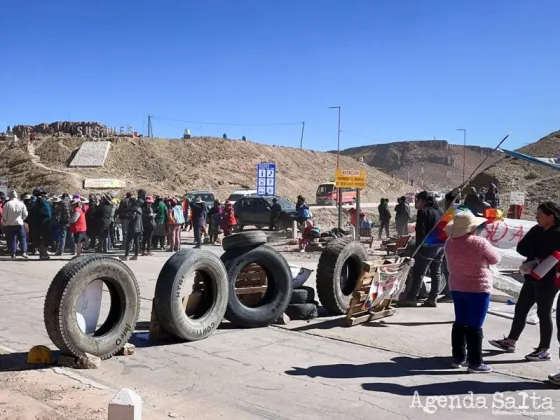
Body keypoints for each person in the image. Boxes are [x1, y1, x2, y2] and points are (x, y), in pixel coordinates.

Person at [489, 201, 560, 362]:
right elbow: (522, 247)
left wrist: (537, 252)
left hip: (549, 279)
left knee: (543, 312)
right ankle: (511, 341)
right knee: (521, 308)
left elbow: (552, 254)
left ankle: (544, 349)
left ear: (550, 217)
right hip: (531, 275)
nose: (536, 217)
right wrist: (538, 254)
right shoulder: (536, 229)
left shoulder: (558, 233)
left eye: (539, 214)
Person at [444, 211, 501, 373]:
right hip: (478, 288)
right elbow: (495, 259)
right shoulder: (479, 243)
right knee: (475, 326)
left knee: (460, 322)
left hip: (457, 286)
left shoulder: (449, 242)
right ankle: (475, 362)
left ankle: (458, 357)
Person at [399, 191, 445, 307]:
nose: (416, 203)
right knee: (436, 271)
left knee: (419, 272)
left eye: (417, 200)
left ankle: (412, 297)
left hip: (428, 246)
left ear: (423, 200)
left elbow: (421, 232)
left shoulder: (423, 211)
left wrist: (418, 248)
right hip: (440, 245)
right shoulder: (439, 211)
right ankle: (433, 298)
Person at [1, 190, 29, 259]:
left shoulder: (7, 204)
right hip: (19, 223)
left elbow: (4, 214)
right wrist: (22, 219)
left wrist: (7, 220)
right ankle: (24, 252)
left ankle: (13, 253)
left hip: (10, 224)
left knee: (13, 238)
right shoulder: (21, 203)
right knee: (22, 237)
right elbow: (25, 213)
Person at [31, 187, 52, 260]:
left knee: (41, 239)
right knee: (45, 239)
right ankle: (43, 253)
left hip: (38, 223)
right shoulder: (43, 201)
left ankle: (42, 253)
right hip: (45, 223)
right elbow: (48, 213)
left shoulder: (36, 202)